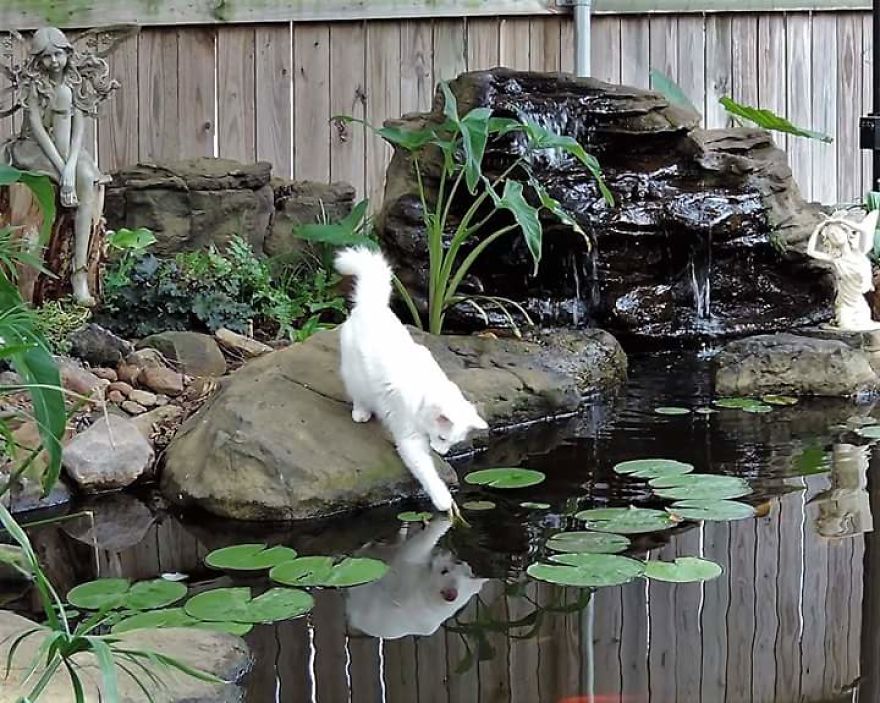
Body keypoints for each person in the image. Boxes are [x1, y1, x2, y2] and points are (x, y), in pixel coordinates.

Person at [1, 27, 118, 306]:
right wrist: (62, 169)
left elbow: (78, 131)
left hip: (67, 151)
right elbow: (39, 133)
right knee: (73, 177)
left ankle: (78, 273)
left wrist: (71, 168)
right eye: (47, 57)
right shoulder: (34, 86)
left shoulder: (73, 82)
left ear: (67, 53)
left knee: (87, 178)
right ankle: (28, 281)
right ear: (38, 60)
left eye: (58, 55)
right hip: (34, 150)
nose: (54, 62)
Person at [806, 209, 880, 331]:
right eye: (831, 235)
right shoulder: (836, 259)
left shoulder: (859, 252)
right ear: (830, 242)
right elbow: (810, 252)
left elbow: (863, 230)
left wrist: (841, 221)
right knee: (847, 327)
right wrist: (818, 229)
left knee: (867, 326)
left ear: (846, 232)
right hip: (845, 305)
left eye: (837, 232)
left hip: (859, 303)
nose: (836, 236)